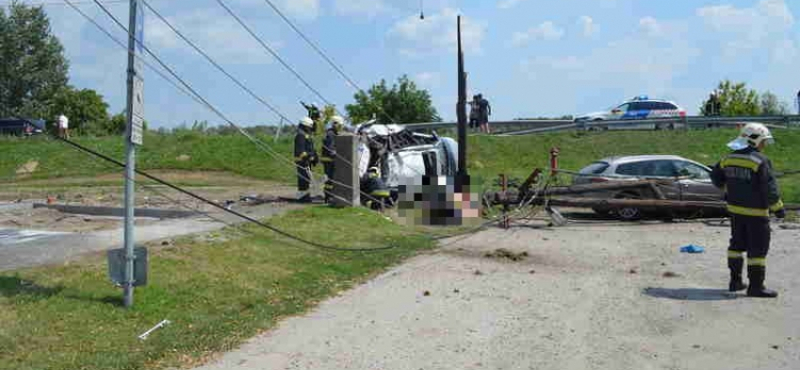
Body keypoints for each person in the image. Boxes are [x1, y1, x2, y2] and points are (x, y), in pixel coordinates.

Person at [711, 123, 785, 298]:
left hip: (735, 211)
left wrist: (728, 188)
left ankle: (735, 282)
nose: (764, 145)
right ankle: (756, 287)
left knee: (736, 246)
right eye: (763, 141)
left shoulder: (728, 158)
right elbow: (770, 189)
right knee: (757, 251)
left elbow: (715, 176)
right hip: (757, 214)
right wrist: (778, 209)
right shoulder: (760, 161)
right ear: (755, 140)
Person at [321, 115, 345, 203]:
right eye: (339, 125)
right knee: (330, 179)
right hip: (329, 160)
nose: (340, 127)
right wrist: (337, 153)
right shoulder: (330, 134)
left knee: (332, 178)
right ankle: (328, 197)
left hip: (331, 160)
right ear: (334, 124)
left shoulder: (334, 133)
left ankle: (330, 195)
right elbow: (330, 148)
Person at [294, 117, 318, 202]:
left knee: (306, 179)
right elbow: (301, 151)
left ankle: (305, 196)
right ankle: (302, 198)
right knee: (303, 180)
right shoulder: (300, 135)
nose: (310, 129)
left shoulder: (306, 135)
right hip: (302, 161)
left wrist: (314, 156)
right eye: (309, 127)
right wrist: (310, 156)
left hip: (306, 161)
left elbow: (310, 147)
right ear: (305, 126)